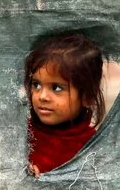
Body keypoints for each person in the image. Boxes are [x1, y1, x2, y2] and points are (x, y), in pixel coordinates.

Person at [24, 34, 105, 177]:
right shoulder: (21, 135)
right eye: (36, 84)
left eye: (56, 88)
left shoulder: (92, 146)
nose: (42, 96)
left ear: (87, 97)